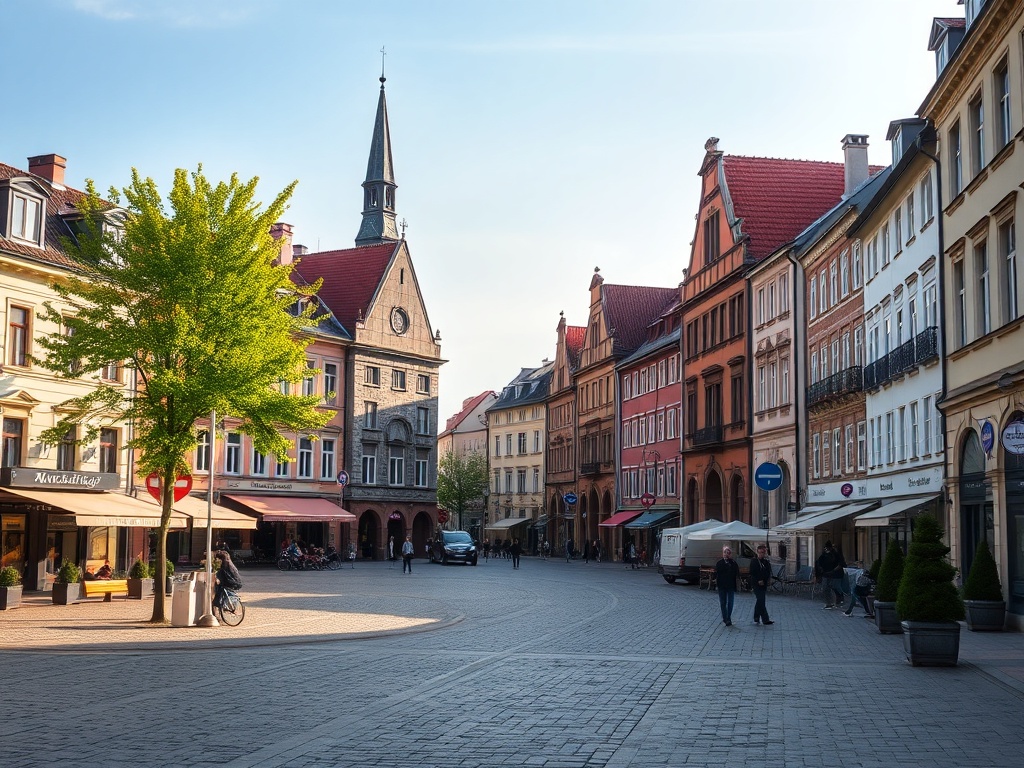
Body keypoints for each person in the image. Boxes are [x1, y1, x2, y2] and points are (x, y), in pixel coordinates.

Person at [714, 546, 740, 626]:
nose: (726, 554)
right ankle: (725, 618)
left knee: (730, 602)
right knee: (723, 602)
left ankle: (728, 617)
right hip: (722, 585)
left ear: (730, 554)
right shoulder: (719, 563)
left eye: (728, 553)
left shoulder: (733, 563)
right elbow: (717, 574)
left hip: (731, 585)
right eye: (725, 552)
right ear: (723, 554)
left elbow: (737, 574)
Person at [749, 544, 775, 625]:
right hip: (756, 584)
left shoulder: (766, 562)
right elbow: (753, 572)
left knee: (760, 600)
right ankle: (765, 619)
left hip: (764, 584)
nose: (761, 554)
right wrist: (759, 579)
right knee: (761, 600)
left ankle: (756, 617)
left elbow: (768, 571)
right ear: (757, 552)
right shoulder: (754, 561)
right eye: (760, 552)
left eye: (763, 552)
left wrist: (769, 579)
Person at [815, 541, 845, 609]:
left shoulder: (836, 554)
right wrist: (820, 571)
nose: (826, 549)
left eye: (827, 548)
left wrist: (833, 571)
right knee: (825, 588)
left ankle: (836, 601)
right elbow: (819, 563)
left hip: (835, 574)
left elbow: (841, 564)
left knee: (834, 588)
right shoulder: (824, 555)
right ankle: (828, 603)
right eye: (825, 547)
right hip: (826, 574)